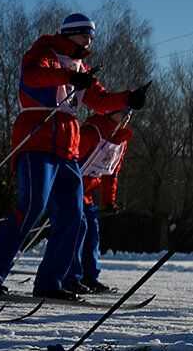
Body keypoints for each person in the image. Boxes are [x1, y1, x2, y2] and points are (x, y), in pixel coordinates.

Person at [0, 13, 148, 300]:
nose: (89, 41)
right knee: (32, 207)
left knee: (73, 216)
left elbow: (101, 101)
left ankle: (50, 282)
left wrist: (128, 99)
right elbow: (31, 76)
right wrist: (68, 77)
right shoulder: (44, 51)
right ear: (70, 34)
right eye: (84, 36)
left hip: (68, 148)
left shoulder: (82, 67)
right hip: (37, 139)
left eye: (91, 37)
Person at [64, 106, 134, 294]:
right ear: (109, 112)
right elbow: (70, 160)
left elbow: (111, 173)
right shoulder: (91, 132)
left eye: (130, 114)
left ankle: (90, 277)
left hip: (88, 195)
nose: (127, 117)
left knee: (92, 235)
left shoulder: (120, 141)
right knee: (79, 230)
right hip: (72, 190)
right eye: (123, 112)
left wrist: (108, 200)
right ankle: (69, 277)